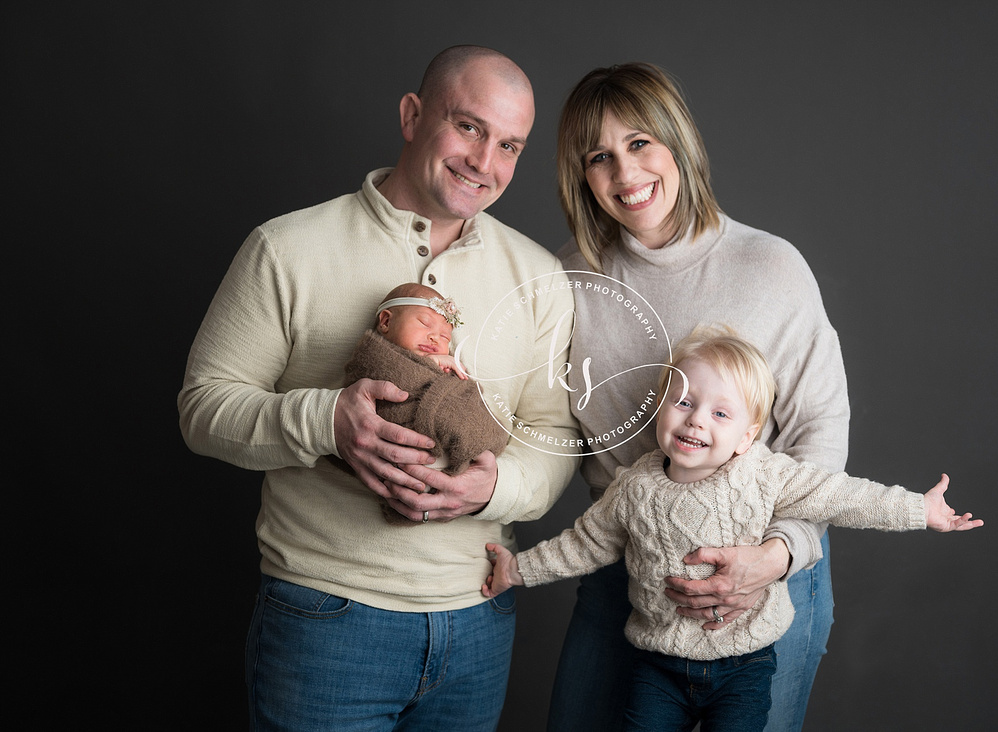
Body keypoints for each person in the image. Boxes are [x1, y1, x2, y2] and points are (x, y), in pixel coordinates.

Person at [178, 45, 580, 731]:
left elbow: (555, 435)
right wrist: (325, 421)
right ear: (412, 115)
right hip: (327, 619)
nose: (485, 162)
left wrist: (492, 490)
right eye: (469, 127)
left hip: (478, 621)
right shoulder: (288, 247)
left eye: (510, 145)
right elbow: (203, 406)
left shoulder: (540, 277)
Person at [484, 325, 982, 731]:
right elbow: (584, 545)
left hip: (744, 663)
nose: (696, 420)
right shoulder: (633, 488)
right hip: (658, 664)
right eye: (682, 402)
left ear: (746, 437)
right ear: (660, 407)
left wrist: (918, 509)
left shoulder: (762, 474)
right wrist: (517, 570)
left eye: (720, 413)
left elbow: (839, 495)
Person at [549, 62, 850, 731]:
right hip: (628, 575)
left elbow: (821, 428)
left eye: (639, 144)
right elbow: (549, 430)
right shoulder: (568, 281)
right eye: (599, 156)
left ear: (677, 141)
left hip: (768, 581)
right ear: (581, 173)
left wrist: (775, 555)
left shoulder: (771, 268)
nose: (625, 175)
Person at [325, 282, 510, 524]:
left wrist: (446, 375)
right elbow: (393, 384)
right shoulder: (376, 360)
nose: (435, 337)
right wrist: (433, 369)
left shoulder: (440, 365)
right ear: (386, 322)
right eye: (424, 323)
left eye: (445, 337)